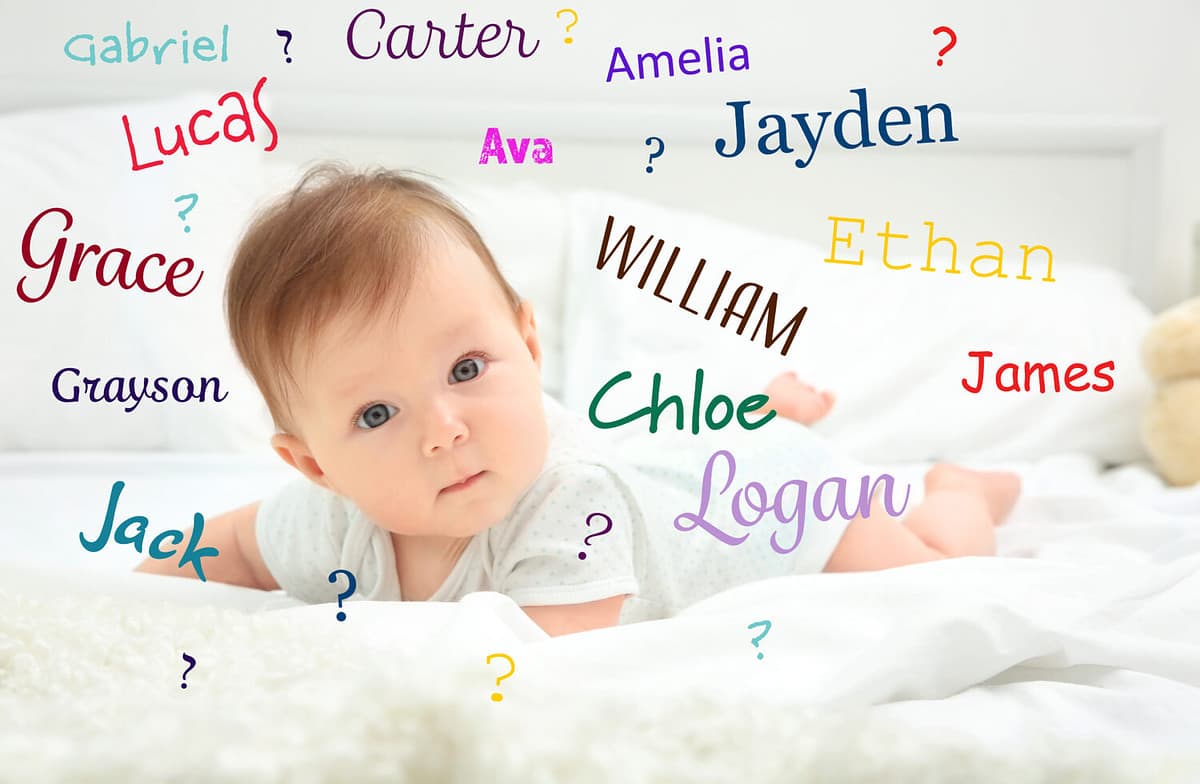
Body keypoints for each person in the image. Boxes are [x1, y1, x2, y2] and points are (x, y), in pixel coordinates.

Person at [135, 165, 1021, 636]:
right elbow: (242, 546)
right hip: (692, 478)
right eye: (377, 414)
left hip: (777, 509)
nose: (444, 431)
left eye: (468, 368)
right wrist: (141, 590)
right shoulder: (332, 524)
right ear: (314, 464)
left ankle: (958, 495)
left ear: (528, 344)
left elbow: (537, 667)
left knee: (938, 578)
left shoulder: (568, 504)